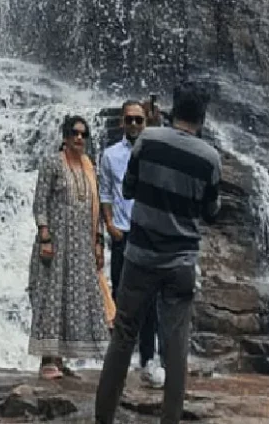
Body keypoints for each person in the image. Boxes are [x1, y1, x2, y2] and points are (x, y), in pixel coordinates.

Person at [95, 81, 221, 424]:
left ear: (172, 109)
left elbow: (129, 187)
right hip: (180, 262)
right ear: (203, 116)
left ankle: (103, 418)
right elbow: (211, 212)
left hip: (140, 257)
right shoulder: (210, 159)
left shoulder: (147, 141)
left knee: (123, 335)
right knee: (176, 346)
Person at [28, 115, 111, 380]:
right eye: (74, 133)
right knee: (51, 298)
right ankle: (46, 362)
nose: (79, 138)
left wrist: (98, 243)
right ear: (64, 137)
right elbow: (40, 202)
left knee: (71, 300)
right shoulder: (53, 163)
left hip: (80, 248)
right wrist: (45, 236)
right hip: (56, 244)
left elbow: (95, 209)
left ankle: (61, 360)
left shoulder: (88, 167)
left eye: (83, 134)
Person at [99, 100, 165, 389]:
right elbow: (105, 192)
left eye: (140, 120)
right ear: (121, 123)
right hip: (122, 233)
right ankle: (119, 361)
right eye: (130, 120)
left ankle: (149, 359)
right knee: (121, 301)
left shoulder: (155, 151)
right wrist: (110, 225)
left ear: (146, 122)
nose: (135, 125)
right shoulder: (110, 155)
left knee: (150, 301)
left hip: (148, 233)